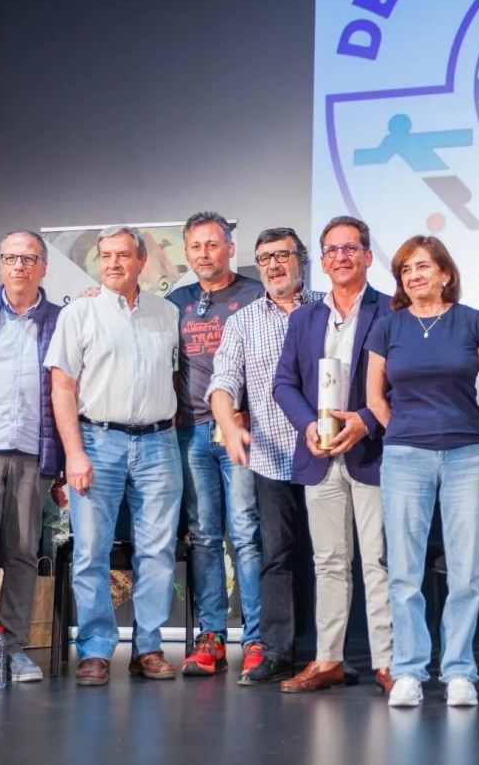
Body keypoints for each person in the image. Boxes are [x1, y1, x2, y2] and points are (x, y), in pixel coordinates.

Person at [365, 235, 479, 707]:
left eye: (423, 266)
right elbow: (374, 397)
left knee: (465, 571)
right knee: (405, 572)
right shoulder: (388, 326)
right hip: (405, 457)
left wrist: (469, 430)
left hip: (467, 456)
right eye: (406, 269)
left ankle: (459, 671)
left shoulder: (473, 321)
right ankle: (408, 671)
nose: (414, 275)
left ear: (445, 273)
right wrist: (404, 431)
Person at [46, 226, 182, 686]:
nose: (113, 263)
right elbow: (62, 388)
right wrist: (74, 453)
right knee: (90, 551)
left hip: (159, 444)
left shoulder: (167, 313)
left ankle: (149, 648)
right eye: (105, 256)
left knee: (158, 550)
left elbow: (175, 378)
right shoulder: (79, 314)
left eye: (123, 255)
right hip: (97, 442)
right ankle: (96, 650)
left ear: (142, 261)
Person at [273, 216, 394, 694]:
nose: (341, 257)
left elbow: (402, 382)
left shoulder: (391, 310)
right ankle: (328, 660)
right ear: (321, 261)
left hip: (372, 452)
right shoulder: (304, 318)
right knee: (328, 562)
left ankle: (387, 663)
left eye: (350, 248)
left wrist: (365, 420)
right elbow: (284, 384)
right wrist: (308, 425)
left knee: (379, 561)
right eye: (332, 250)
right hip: (319, 454)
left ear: (367, 256)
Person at [206, 227, 322, 687]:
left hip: (329, 455)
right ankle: (277, 654)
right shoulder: (244, 322)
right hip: (273, 458)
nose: (273, 265)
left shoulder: (327, 309)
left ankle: (333, 654)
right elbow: (222, 382)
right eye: (264, 258)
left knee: (333, 558)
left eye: (282, 255)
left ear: (301, 260)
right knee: (278, 557)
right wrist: (230, 423)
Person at [166, 211, 265, 680]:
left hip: (239, 433)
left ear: (230, 248)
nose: (203, 254)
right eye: (195, 246)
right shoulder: (176, 302)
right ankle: (211, 638)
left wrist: (249, 414)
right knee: (204, 537)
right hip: (190, 433)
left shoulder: (256, 294)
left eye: (212, 244)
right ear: (187, 252)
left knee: (246, 534)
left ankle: (257, 638)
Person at [0, 230, 61, 684]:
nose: (18, 266)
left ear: (43, 267)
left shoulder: (62, 320)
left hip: (32, 453)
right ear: (0, 265)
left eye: (28, 259)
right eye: (10, 258)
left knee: (22, 554)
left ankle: (13, 651)